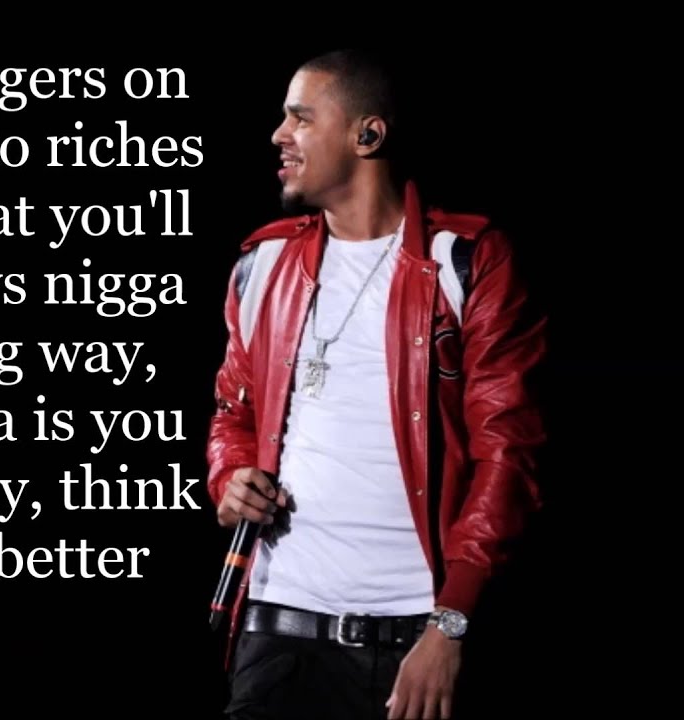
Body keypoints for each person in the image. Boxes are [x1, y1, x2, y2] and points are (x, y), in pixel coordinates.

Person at [205, 49, 546, 719]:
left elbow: (509, 451)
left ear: (367, 135)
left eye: (301, 118)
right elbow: (232, 410)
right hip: (278, 629)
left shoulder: (465, 260)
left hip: (417, 636)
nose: (279, 135)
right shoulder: (263, 262)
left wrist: (450, 623)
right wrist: (230, 476)